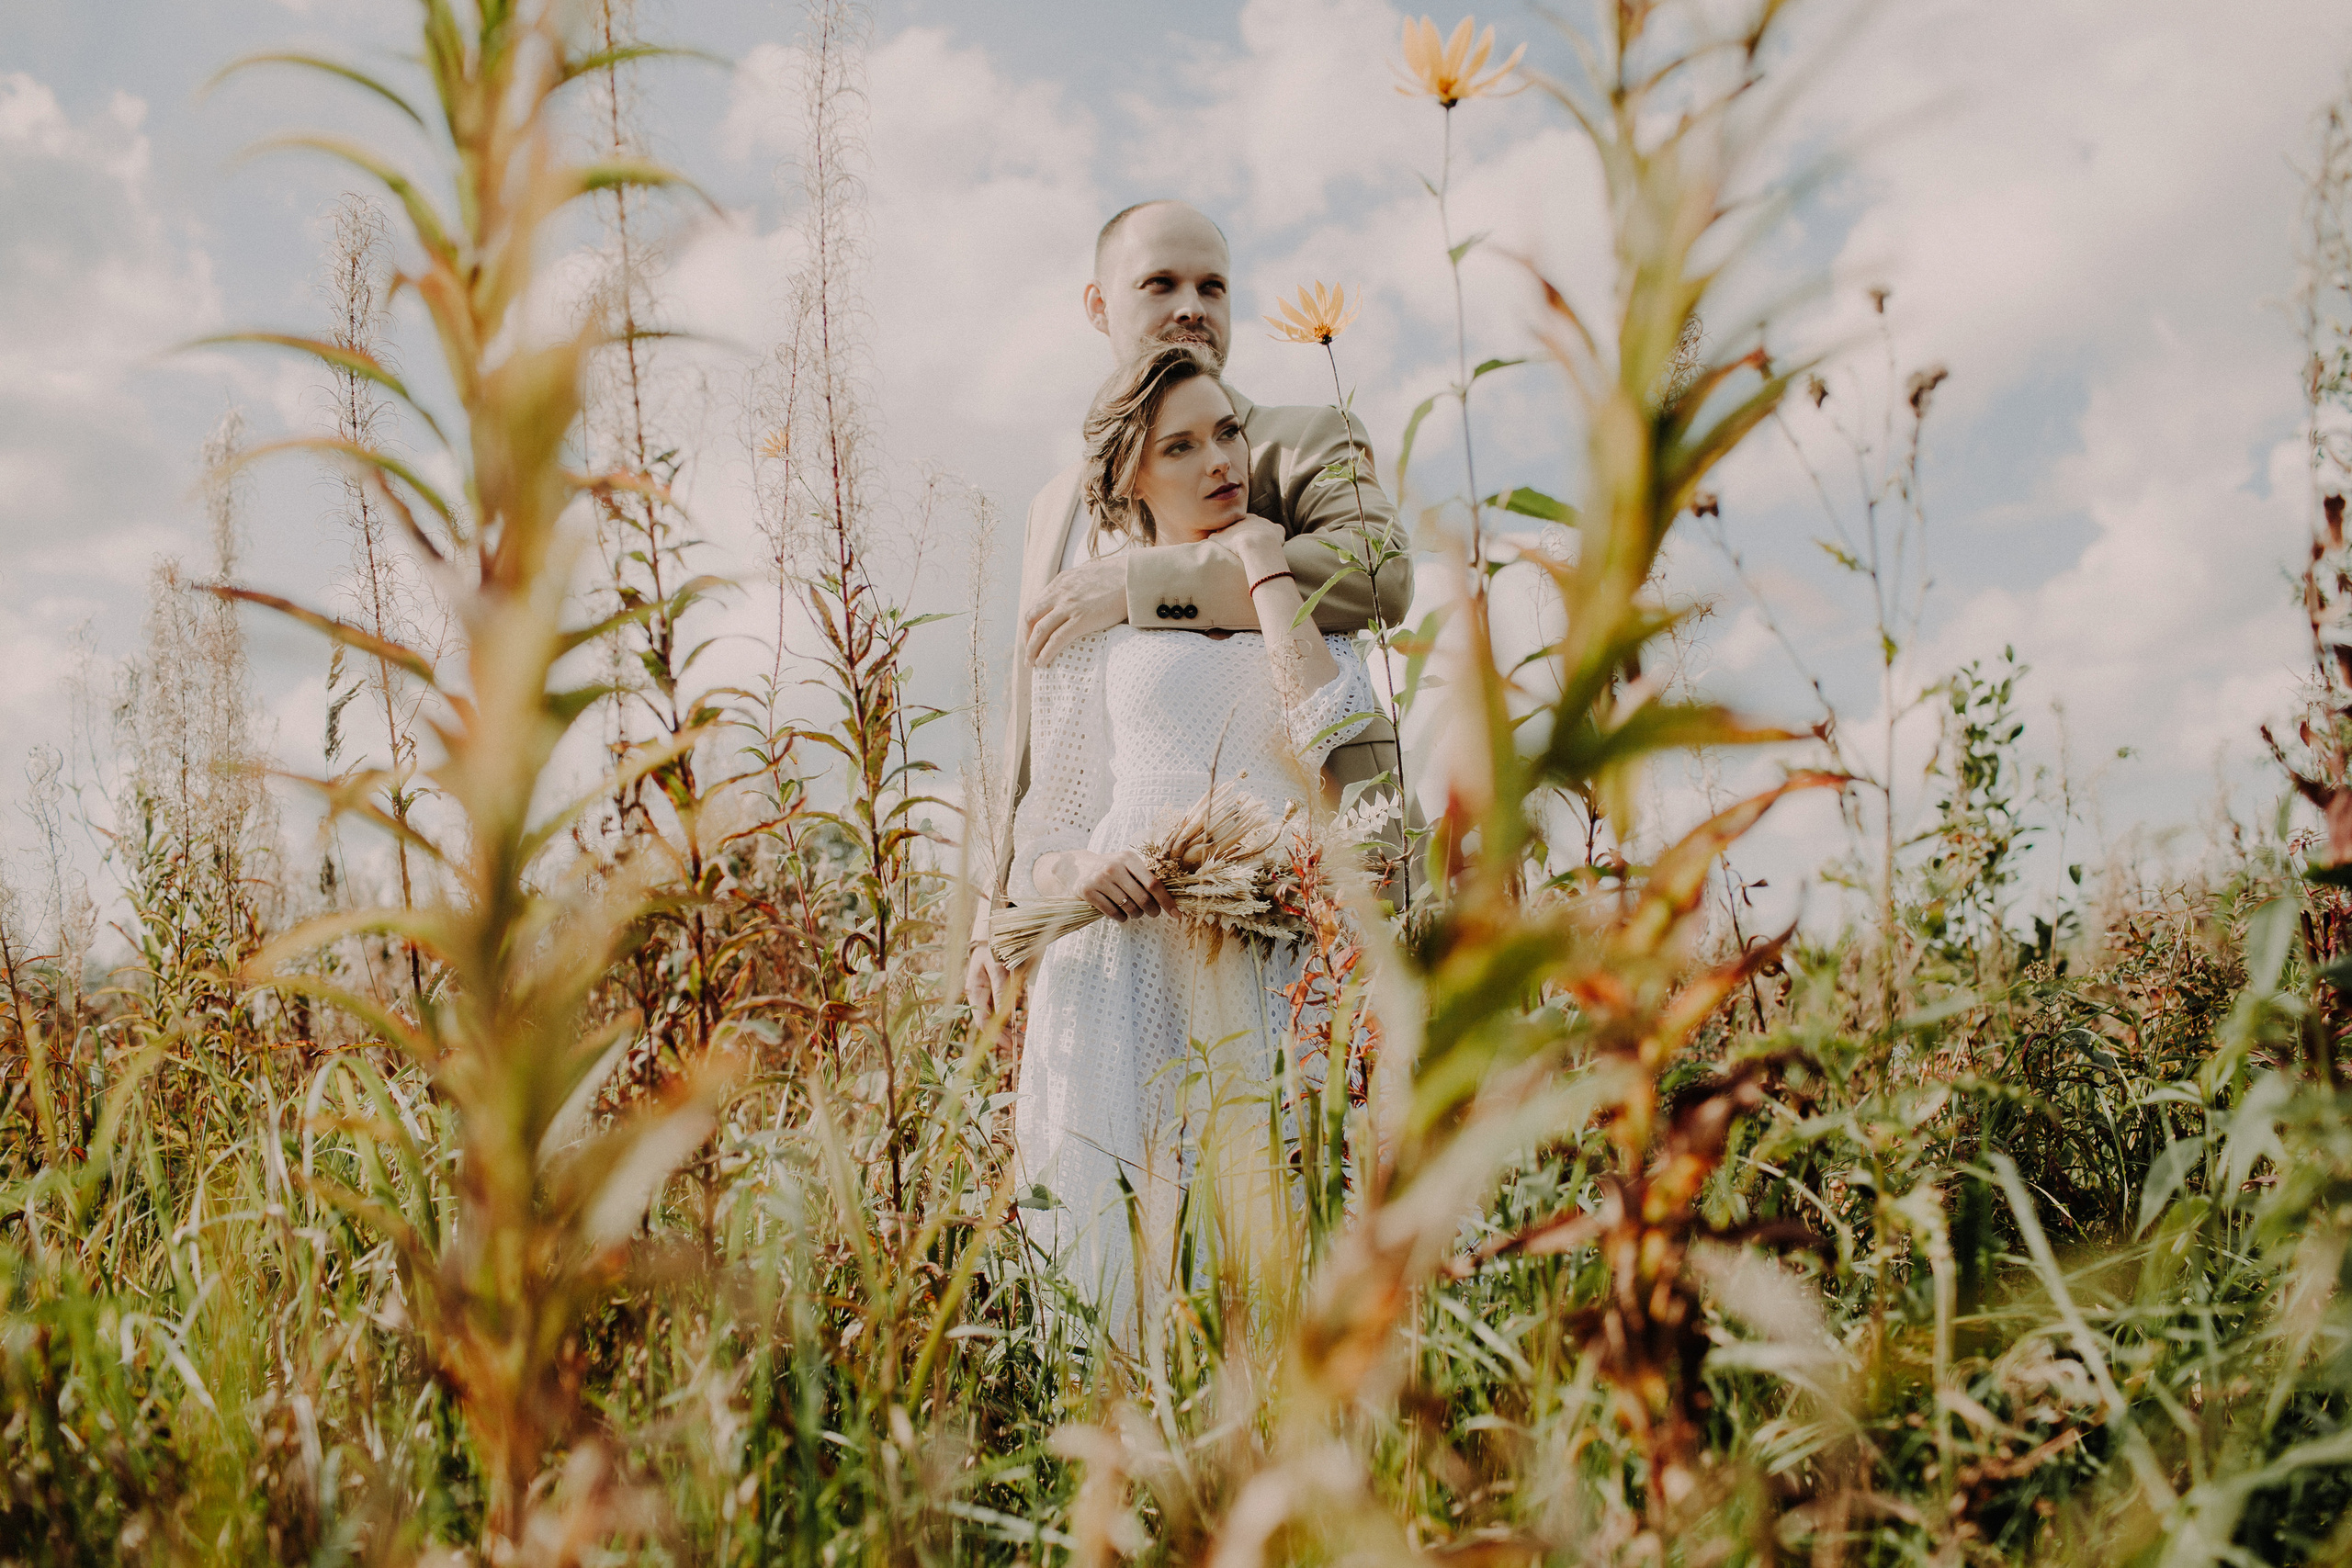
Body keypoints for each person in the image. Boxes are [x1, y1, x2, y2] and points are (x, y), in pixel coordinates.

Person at [1006, 342, 1378, 1325]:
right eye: (1181, 447)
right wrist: (1084, 868)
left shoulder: (1300, 588)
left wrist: (1262, 565)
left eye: (1228, 433)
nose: (1220, 462)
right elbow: (1044, 831)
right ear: (1131, 475)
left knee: (1289, 1216)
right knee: (1140, 1232)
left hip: (1278, 939)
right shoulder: (1093, 623)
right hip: (1132, 953)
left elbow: (1331, 738)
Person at [965, 199, 1412, 1016]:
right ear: (1098, 304)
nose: (1192, 307)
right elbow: (1037, 731)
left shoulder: (1299, 439)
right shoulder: (1052, 508)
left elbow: (1379, 574)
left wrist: (1138, 584)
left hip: (1291, 911)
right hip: (1101, 938)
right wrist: (996, 920)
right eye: (1160, 283)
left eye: (1213, 287)